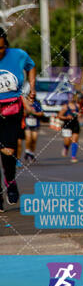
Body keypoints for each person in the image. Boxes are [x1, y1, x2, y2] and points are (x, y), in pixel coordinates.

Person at [0, 27, 36, 208]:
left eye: (0, 48)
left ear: (5, 44)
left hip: (11, 109)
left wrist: (33, 87)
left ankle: (10, 181)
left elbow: (31, 66)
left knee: (8, 151)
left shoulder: (18, 55)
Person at [58, 93, 81, 163]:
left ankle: (73, 156)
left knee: (74, 140)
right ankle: (66, 147)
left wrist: (79, 114)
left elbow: (79, 113)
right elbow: (59, 116)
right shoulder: (65, 107)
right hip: (67, 125)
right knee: (67, 141)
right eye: (70, 97)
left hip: (75, 125)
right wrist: (66, 117)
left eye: (73, 97)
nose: (71, 99)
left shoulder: (77, 106)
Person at [22, 96, 43, 164]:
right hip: (27, 123)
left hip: (35, 123)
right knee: (28, 138)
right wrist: (27, 111)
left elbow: (41, 113)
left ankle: (32, 153)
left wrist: (34, 113)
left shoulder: (37, 103)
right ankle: (27, 151)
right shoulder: (25, 103)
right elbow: (22, 113)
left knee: (34, 139)